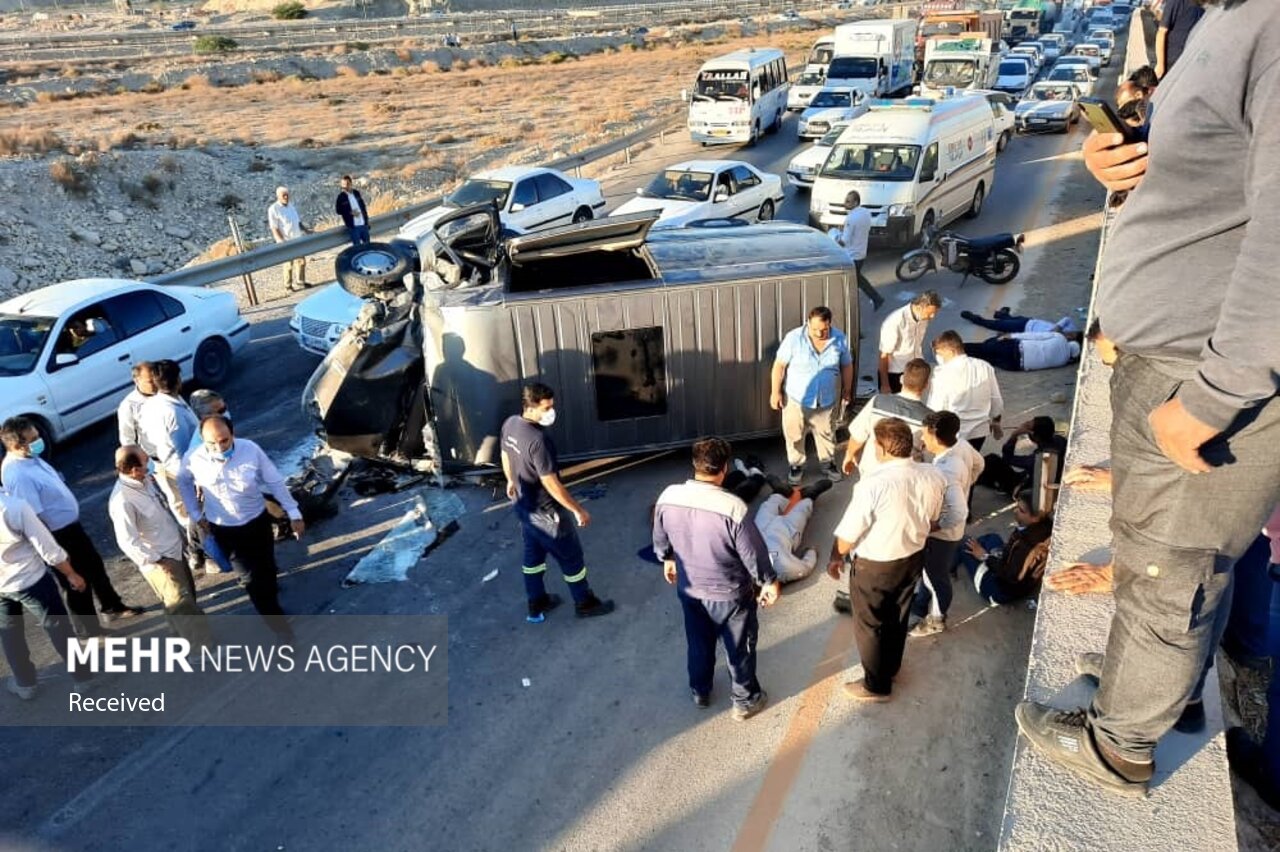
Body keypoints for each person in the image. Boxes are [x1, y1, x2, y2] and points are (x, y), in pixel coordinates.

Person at [1019, 1, 1280, 799]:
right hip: (1166, 356)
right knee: (1151, 552)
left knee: (1174, 568)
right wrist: (1124, 158)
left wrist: (1214, 396)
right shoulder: (1226, 18)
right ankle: (1152, 688)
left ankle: (1122, 746)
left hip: (1203, 377)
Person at [653, 437, 779, 719]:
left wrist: (668, 559)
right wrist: (768, 581)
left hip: (690, 590)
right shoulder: (733, 508)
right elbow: (753, 554)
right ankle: (745, 701)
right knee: (739, 648)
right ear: (723, 469)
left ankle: (700, 690)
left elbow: (660, 541)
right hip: (730, 594)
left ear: (695, 465)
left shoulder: (668, 496)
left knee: (698, 641)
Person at [827, 418, 945, 701]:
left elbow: (848, 534)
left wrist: (835, 557)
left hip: (875, 566)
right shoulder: (933, 474)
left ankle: (876, 686)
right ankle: (890, 667)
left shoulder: (872, 484)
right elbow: (934, 519)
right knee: (898, 615)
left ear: (880, 448)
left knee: (870, 625)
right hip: (913, 557)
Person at [0, 417, 142, 636]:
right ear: (18, 445)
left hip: (71, 528)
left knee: (94, 567)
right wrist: (57, 553)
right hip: (58, 535)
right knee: (76, 581)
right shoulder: (18, 474)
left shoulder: (30, 458)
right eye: (33, 439)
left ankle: (112, 605)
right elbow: (34, 518)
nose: (39, 441)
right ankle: (88, 628)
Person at [178, 416, 302, 641]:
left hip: (257, 523)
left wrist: (293, 512)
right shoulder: (193, 458)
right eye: (212, 443)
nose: (218, 448)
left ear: (232, 435)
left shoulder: (250, 450)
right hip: (225, 530)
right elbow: (183, 481)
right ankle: (281, 629)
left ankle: (272, 604)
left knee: (266, 571)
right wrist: (195, 514)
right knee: (251, 581)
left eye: (224, 441)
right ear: (202, 441)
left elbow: (274, 481)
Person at [499, 383, 614, 623]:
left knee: (533, 557)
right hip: (547, 513)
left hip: (523, 507)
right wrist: (577, 509)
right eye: (547, 407)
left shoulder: (510, 424)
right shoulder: (539, 440)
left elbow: (504, 453)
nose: (552, 411)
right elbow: (551, 483)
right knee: (571, 557)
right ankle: (585, 602)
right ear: (530, 407)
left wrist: (510, 480)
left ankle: (537, 600)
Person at [109, 446, 211, 647]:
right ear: (133, 469)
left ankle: (181, 639)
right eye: (146, 461)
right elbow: (127, 541)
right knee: (183, 607)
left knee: (181, 602)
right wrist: (159, 561)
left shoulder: (144, 481)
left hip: (174, 552)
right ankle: (202, 650)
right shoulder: (122, 500)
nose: (150, 463)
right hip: (162, 562)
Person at [0, 490, 93, 701]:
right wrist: (70, 573)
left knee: (10, 636)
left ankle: (25, 684)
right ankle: (84, 677)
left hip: (2, 586)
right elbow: (47, 546)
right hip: (31, 580)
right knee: (59, 629)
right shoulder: (14, 506)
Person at [910, 411, 984, 637]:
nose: (922, 440)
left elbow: (959, 511)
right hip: (951, 533)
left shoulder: (946, 471)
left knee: (935, 577)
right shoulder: (961, 445)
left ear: (937, 438)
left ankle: (936, 619)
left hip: (942, 536)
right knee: (932, 572)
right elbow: (979, 464)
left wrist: (936, 526)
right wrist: (967, 485)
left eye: (925, 436)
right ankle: (922, 602)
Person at [770, 306, 854, 485]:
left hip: (825, 400)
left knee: (827, 434)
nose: (818, 333)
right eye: (814, 329)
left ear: (830, 324)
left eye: (823, 330)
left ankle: (828, 464)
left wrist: (847, 389)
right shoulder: (793, 338)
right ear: (808, 322)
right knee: (794, 435)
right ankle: (796, 465)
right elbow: (779, 366)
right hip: (795, 400)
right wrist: (775, 391)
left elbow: (847, 365)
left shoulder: (839, 339)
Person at [841, 358, 934, 480]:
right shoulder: (929, 419)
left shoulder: (878, 401)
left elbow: (858, 435)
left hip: (872, 471)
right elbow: (930, 455)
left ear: (901, 379)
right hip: (906, 478)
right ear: (926, 385)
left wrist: (850, 455)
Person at [959, 490, 1052, 606]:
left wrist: (984, 556)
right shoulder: (1046, 526)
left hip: (999, 589)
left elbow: (1010, 576)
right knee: (992, 538)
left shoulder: (1026, 547)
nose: (1015, 511)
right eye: (1017, 506)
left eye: (1021, 511)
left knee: (963, 544)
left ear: (1035, 518)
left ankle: (948, 567)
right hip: (1019, 577)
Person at [184, 390, 235, 576]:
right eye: (219, 410)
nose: (225, 413)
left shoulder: (219, 429)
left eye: (224, 408)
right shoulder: (200, 443)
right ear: (204, 416)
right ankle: (209, 557)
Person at [927, 330, 1004, 452]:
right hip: (980, 431)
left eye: (939, 353)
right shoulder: (984, 366)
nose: (938, 357)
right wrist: (996, 421)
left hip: (955, 434)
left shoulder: (942, 373)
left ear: (950, 351)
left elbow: (936, 408)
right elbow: (996, 400)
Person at [976, 416, 1066, 495]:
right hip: (1045, 479)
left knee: (992, 460)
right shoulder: (1060, 440)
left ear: (1035, 436)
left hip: (1028, 487)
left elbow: (1007, 458)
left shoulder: (1037, 459)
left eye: (1028, 427)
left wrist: (1014, 435)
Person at [879, 291, 940, 393]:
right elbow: (883, 355)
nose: (932, 317)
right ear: (920, 307)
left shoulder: (923, 318)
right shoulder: (895, 322)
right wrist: (885, 385)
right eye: (930, 313)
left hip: (916, 369)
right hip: (896, 373)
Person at [836, 190, 885, 311]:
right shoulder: (865, 213)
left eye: (848, 201)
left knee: (853, 281)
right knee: (858, 280)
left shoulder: (851, 218)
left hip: (851, 255)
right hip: (861, 252)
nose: (844, 203)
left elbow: (845, 241)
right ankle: (876, 299)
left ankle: (874, 300)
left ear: (855, 202)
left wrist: (835, 239)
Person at [963, 330, 1081, 372]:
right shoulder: (1062, 362)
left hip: (1014, 348)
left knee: (984, 346)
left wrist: (1011, 335)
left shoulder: (1060, 338)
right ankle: (959, 360)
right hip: (1014, 365)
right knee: (986, 358)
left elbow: (1034, 336)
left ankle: (954, 349)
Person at [267, 185, 310, 292]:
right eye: (283, 195)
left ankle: (300, 281)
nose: (286, 197)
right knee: (288, 265)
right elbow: (274, 227)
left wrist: (306, 230)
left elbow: (297, 222)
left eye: (287, 195)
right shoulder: (274, 209)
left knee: (301, 262)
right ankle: (288, 286)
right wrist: (281, 240)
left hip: (297, 238)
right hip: (286, 241)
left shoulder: (291, 206)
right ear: (278, 196)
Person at [1154, 0, 1203, 79]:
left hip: (1187, 59)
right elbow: (1162, 32)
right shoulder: (1176, 2)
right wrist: (1160, 65)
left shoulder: (1202, 4)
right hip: (1171, 60)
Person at [959, 308, 1080, 337]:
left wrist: (1012, 337)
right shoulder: (1068, 329)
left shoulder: (1060, 342)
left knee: (994, 324)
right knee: (1008, 321)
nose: (1069, 335)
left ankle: (974, 318)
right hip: (1030, 321)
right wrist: (1058, 328)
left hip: (1024, 329)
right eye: (1071, 334)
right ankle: (1002, 314)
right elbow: (1066, 319)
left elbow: (1034, 339)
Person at [116, 361, 154, 447]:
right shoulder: (128, 406)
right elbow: (127, 439)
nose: (155, 384)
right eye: (150, 381)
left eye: (156, 379)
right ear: (136, 380)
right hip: (156, 457)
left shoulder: (163, 392)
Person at [334, 175, 370, 246]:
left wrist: (366, 221)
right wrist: (349, 213)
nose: (344, 187)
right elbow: (338, 211)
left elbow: (363, 207)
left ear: (351, 184)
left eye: (346, 184)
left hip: (363, 224)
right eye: (343, 185)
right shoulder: (341, 197)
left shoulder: (356, 193)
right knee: (357, 248)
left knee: (368, 247)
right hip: (354, 227)